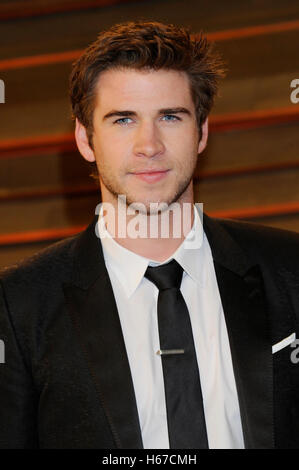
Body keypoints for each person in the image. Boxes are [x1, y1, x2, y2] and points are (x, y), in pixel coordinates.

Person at [0, 20, 299, 450]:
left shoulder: (290, 268)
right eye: (123, 119)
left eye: (171, 116)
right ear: (86, 139)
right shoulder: (19, 304)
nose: (149, 144)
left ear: (202, 132)